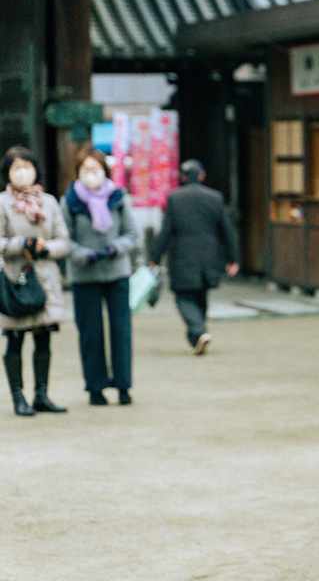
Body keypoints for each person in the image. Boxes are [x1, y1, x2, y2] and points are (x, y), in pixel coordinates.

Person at [61, 149, 140, 406]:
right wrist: (85, 254)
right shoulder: (70, 201)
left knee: (121, 330)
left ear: (105, 171)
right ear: (77, 173)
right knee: (90, 333)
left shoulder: (118, 197)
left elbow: (132, 234)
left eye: (96, 169)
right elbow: (64, 239)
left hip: (117, 271)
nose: (91, 175)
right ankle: (95, 387)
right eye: (85, 170)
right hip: (85, 274)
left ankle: (123, 385)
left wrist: (115, 247)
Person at [0, 146, 71, 416]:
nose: (22, 171)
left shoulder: (49, 202)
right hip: (14, 279)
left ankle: (42, 394)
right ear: (7, 172)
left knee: (43, 339)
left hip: (44, 278)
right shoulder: (2, 203)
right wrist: (21, 244)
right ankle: (18, 397)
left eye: (26, 165)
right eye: (15, 167)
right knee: (15, 339)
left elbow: (63, 240)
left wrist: (45, 248)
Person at [149, 160, 239, 355]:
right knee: (200, 295)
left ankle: (198, 331)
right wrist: (234, 258)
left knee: (183, 297)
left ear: (181, 177)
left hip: (183, 253)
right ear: (202, 175)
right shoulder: (215, 197)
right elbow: (227, 230)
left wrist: (155, 257)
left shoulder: (175, 198)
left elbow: (165, 232)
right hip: (209, 253)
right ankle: (197, 338)